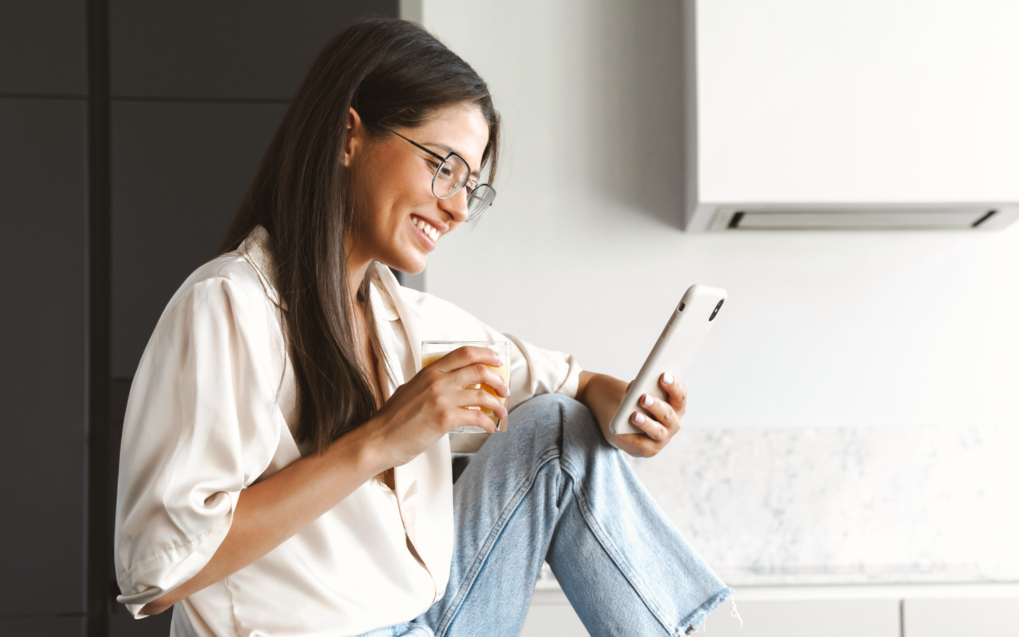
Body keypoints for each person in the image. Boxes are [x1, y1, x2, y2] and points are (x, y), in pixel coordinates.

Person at [114, 17, 733, 637]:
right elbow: (157, 569)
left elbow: (567, 383)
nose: (459, 207)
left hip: (426, 621)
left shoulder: (398, 319)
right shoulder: (229, 306)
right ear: (347, 137)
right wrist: (383, 437)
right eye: (444, 167)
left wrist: (625, 411)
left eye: (471, 185)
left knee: (557, 428)